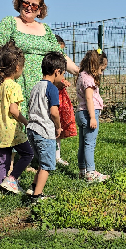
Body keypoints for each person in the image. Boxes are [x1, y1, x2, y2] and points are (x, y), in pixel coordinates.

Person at [0, 0, 79, 118]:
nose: (29, 8)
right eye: (26, 3)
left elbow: (59, 55)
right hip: (15, 84)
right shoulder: (10, 23)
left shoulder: (45, 29)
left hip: (40, 88)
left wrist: (79, 71)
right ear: (19, 3)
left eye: (34, 5)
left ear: (40, 9)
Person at [0, 42, 35, 194]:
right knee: (28, 154)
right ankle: (12, 179)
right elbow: (14, 110)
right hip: (12, 130)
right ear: (17, 68)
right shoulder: (14, 86)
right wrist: (26, 122)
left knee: (3, 160)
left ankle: (1, 188)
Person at [26, 52, 67, 201]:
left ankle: (33, 188)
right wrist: (58, 126)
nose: (62, 78)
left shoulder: (36, 86)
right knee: (47, 165)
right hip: (44, 131)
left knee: (42, 163)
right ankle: (37, 196)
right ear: (57, 72)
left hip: (32, 129)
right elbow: (54, 112)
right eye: (62, 74)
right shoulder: (52, 89)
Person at [75, 49, 109, 183]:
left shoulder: (81, 75)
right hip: (89, 113)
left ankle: (82, 171)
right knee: (90, 144)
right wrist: (93, 118)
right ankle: (91, 172)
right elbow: (89, 99)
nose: (101, 72)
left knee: (83, 144)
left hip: (80, 112)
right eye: (101, 69)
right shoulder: (89, 79)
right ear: (95, 66)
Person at [54, 35, 77, 166]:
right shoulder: (48, 61)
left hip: (59, 96)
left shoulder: (60, 59)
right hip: (51, 95)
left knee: (58, 127)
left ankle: (57, 156)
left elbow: (73, 69)